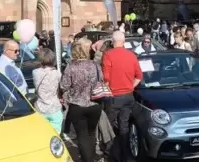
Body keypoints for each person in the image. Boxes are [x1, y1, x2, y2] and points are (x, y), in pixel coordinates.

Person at [102, 31, 143, 162]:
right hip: (128, 95)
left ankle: (112, 154)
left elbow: (106, 78)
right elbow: (139, 76)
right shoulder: (131, 55)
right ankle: (126, 155)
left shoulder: (108, 54)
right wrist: (131, 86)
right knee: (124, 126)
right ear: (124, 41)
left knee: (109, 126)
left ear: (112, 41)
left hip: (114, 96)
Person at [61, 38, 102, 162]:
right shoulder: (95, 65)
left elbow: (64, 86)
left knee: (82, 135)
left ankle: (87, 159)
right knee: (91, 133)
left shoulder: (71, 67)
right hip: (94, 104)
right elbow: (101, 80)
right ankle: (92, 157)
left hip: (77, 105)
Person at [32, 48, 63, 133]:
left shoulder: (35, 72)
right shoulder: (57, 73)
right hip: (54, 107)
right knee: (55, 134)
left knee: (42, 134)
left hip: (40, 107)